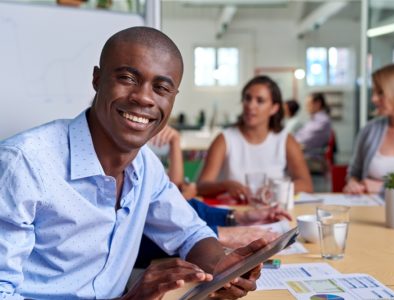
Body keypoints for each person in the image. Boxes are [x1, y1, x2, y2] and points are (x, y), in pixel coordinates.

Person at [0, 26, 266, 300]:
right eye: (127, 78)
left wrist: (221, 266)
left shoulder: (145, 166)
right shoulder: (23, 164)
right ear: (97, 78)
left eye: (161, 88)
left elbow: (190, 233)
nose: (144, 97)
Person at [142, 125, 292, 251]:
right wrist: (219, 234)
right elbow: (150, 228)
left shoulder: (144, 156)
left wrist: (237, 217)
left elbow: (170, 203)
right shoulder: (135, 154)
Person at [197, 75, 313, 202]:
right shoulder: (224, 139)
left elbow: (306, 185)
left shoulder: (286, 140)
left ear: (274, 108)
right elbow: (202, 186)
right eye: (247, 98)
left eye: (260, 100)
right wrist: (225, 185)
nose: (251, 105)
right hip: (234, 214)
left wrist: (274, 189)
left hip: (273, 212)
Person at [343, 63, 394, 194]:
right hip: (371, 210)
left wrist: (383, 188)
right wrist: (353, 183)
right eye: (373, 92)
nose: (373, 99)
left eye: (380, 93)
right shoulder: (369, 129)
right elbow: (354, 172)